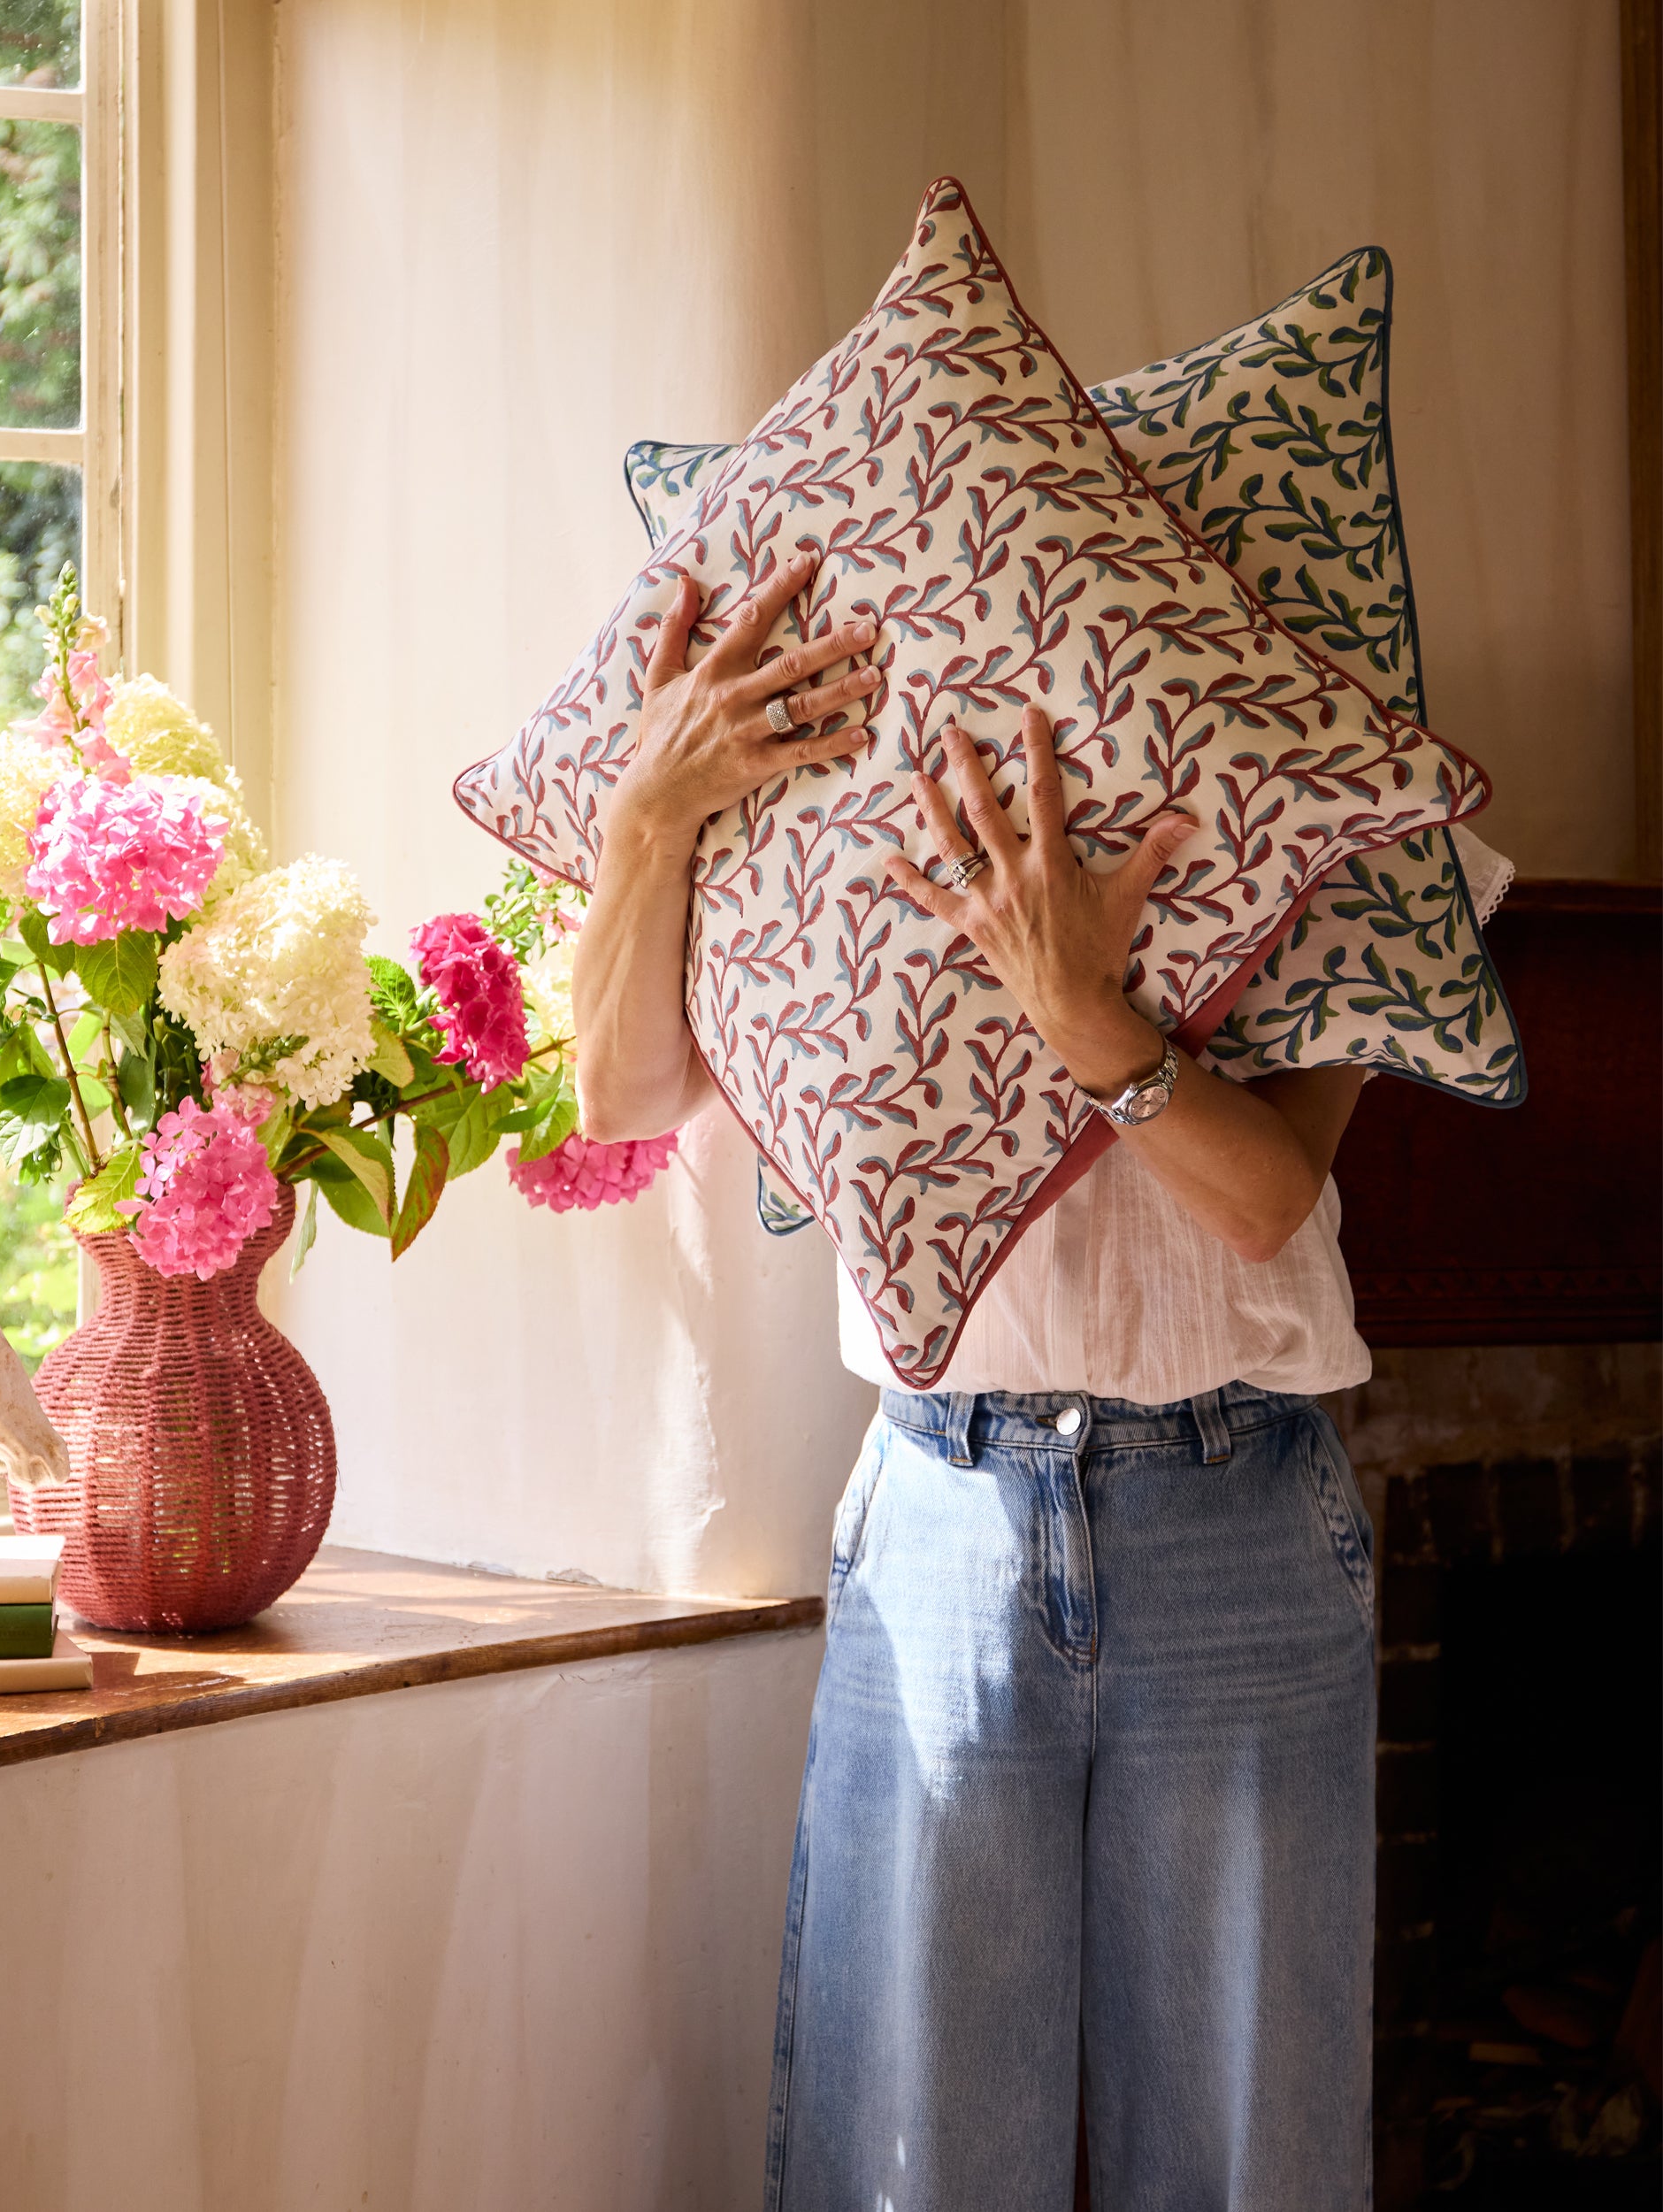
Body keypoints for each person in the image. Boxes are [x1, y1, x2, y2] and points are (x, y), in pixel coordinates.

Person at [572, 552, 1501, 2211]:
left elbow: (1270, 1200)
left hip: (1235, 1520)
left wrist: (1087, 1018)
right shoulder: (848, 807)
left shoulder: (1300, 786)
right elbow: (626, 1093)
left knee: (1250, 2153)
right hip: (942, 1506)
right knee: (914, 2147)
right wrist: (650, 813)